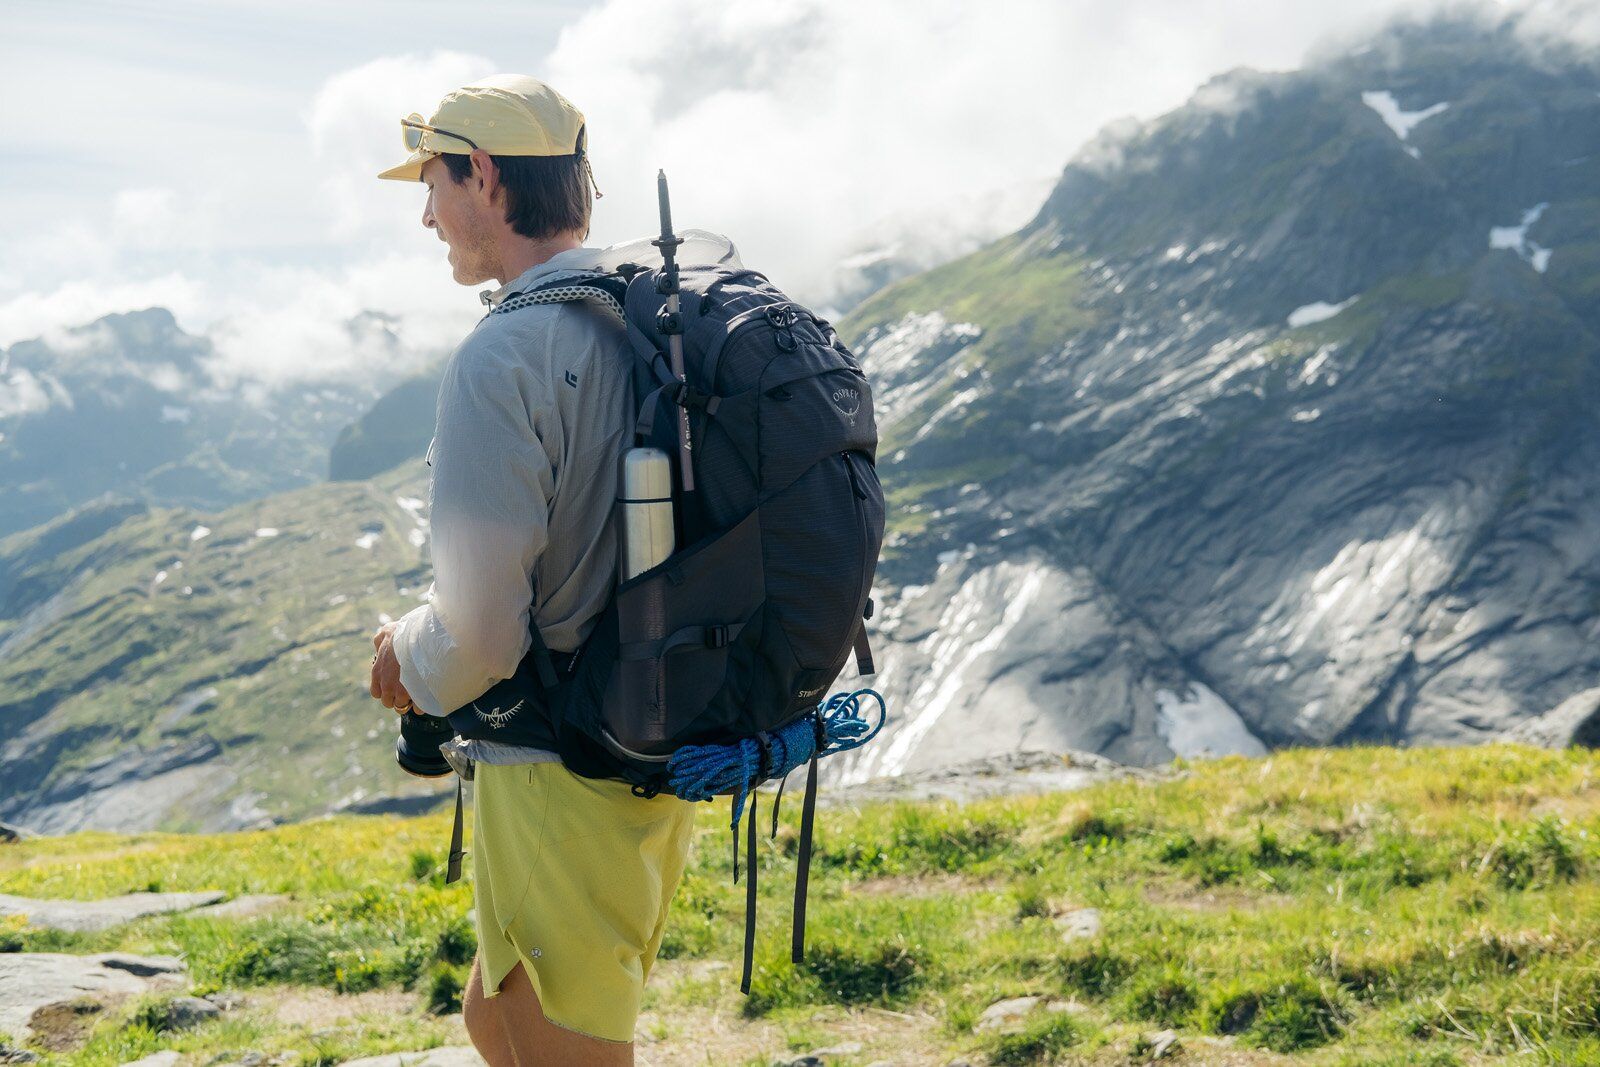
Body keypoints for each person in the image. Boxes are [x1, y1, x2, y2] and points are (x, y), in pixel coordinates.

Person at [365, 74, 697, 1066]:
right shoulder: (651, 315)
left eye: (433, 184)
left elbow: (479, 633)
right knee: (492, 1015)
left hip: (561, 756)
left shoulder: (506, 352)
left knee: (561, 1044)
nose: (426, 216)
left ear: (486, 174)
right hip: (657, 713)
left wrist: (401, 656)